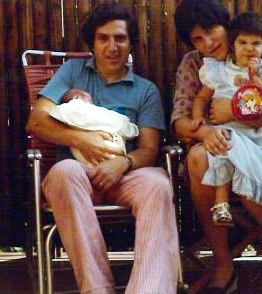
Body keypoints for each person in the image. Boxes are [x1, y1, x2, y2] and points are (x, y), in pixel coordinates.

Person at [26, 3, 178, 294]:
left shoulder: (145, 90)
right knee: (62, 172)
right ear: (92, 43)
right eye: (103, 38)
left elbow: (149, 149)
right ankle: (97, 289)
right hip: (79, 175)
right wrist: (81, 140)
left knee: (158, 183)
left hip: (126, 176)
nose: (112, 46)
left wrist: (123, 163)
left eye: (120, 38)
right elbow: (37, 122)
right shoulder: (72, 73)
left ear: (131, 43)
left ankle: (149, 289)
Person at [173, 1, 262, 294]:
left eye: (211, 31)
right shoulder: (195, 63)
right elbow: (180, 120)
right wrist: (207, 131)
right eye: (197, 38)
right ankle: (223, 264)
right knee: (199, 157)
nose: (207, 43)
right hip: (223, 143)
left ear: (228, 24)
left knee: (243, 167)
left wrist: (236, 113)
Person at [190, 12, 262, 228]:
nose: (249, 48)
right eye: (243, 42)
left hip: (257, 131)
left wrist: (256, 80)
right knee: (223, 152)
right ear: (232, 44)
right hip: (229, 130)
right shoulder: (218, 71)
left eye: (256, 43)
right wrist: (197, 117)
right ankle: (221, 205)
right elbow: (202, 98)